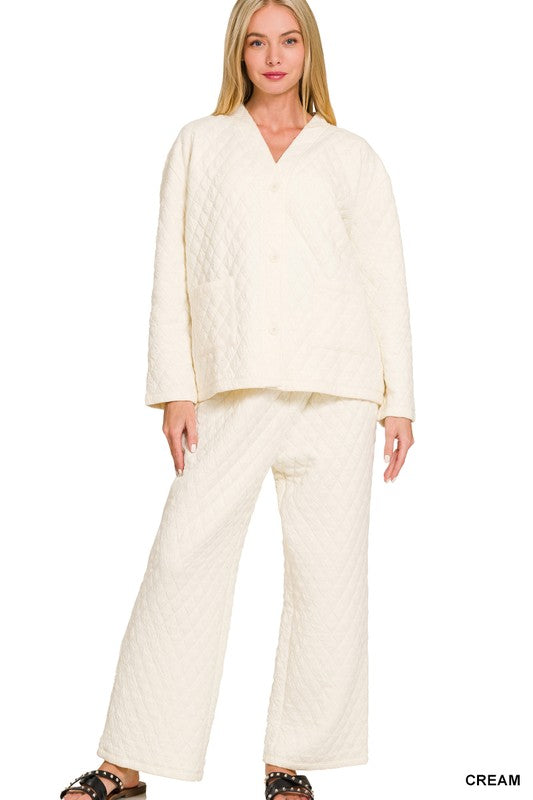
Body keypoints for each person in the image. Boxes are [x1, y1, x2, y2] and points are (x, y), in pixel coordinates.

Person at [59, 0, 416, 798]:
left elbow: (384, 276)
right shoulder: (201, 143)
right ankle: (126, 761)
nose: (273, 55)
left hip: (339, 387)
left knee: (328, 576)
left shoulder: (350, 155)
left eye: (288, 40)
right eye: (257, 42)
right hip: (232, 383)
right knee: (183, 557)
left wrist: (399, 400)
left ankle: (289, 763)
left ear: (308, 50)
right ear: (238, 52)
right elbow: (170, 267)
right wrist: (173, 389)